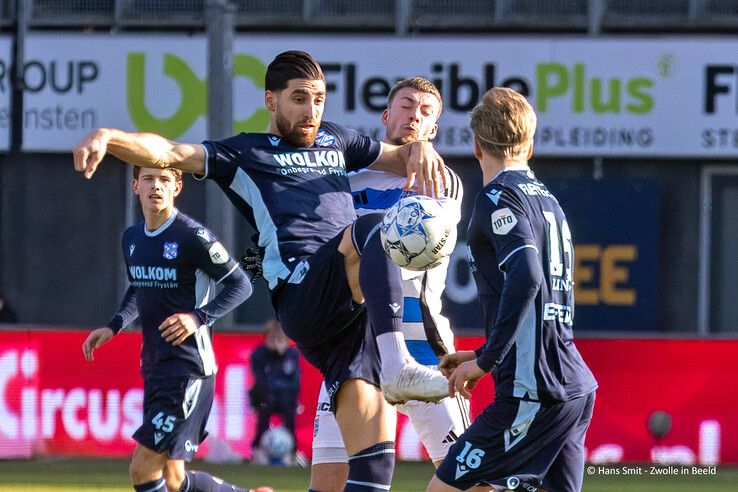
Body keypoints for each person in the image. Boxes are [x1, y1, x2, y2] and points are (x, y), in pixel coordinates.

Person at [73, 50, 449, 492]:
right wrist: (108, 136)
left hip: (347, 318)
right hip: (302, 288)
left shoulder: (336, 141)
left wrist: (420, 146)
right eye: (300, 99)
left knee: (373, 470)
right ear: (271, 101)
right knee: (373, 228)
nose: (312, 111)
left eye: (320, 100)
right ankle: (398, 361)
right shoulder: (246, 152)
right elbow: (171, 151)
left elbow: (401, 157)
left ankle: (390, 367)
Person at [309, 77, 476, 492]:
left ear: (433, 132)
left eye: (425, 112)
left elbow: (408, 250)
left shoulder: (442, 183)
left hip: (422, 351)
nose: (413, 116)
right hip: (354, 351)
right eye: (406, 106)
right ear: (386, 116)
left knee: (471, 481)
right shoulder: (345, 178)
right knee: (329, 482)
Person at [427, 88, 598, 492]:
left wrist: (486, 363)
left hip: (533, 393)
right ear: (530, 144)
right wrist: (484, 352)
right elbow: (539, 300)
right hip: (571, 386)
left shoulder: (497, 196)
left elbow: (527, 277)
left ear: (476, 145)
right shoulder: (548, 201)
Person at [81, 166, 261, 492]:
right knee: (174, 479)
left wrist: (198, 317)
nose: (156, 186)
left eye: (165, 180)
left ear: (177, 186)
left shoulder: (192, 237)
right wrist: (114, 325)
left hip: (188, 371)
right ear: (135, 186)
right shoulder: (132, 239)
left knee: (142, 469)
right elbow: (140, 287)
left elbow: (241, 284)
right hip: (155, 369)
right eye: (148, 178)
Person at [249, 319, 301, 463]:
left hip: (286, 398)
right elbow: (260, 380)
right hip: (264, 398)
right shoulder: (258, 354)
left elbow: (295, 382)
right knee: (266, 404)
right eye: (272, 339)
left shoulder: (292, 354)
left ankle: (292, 452)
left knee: (289, 409)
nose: (276, 343)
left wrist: (281, 355)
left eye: (280, 339)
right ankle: (257, 449)